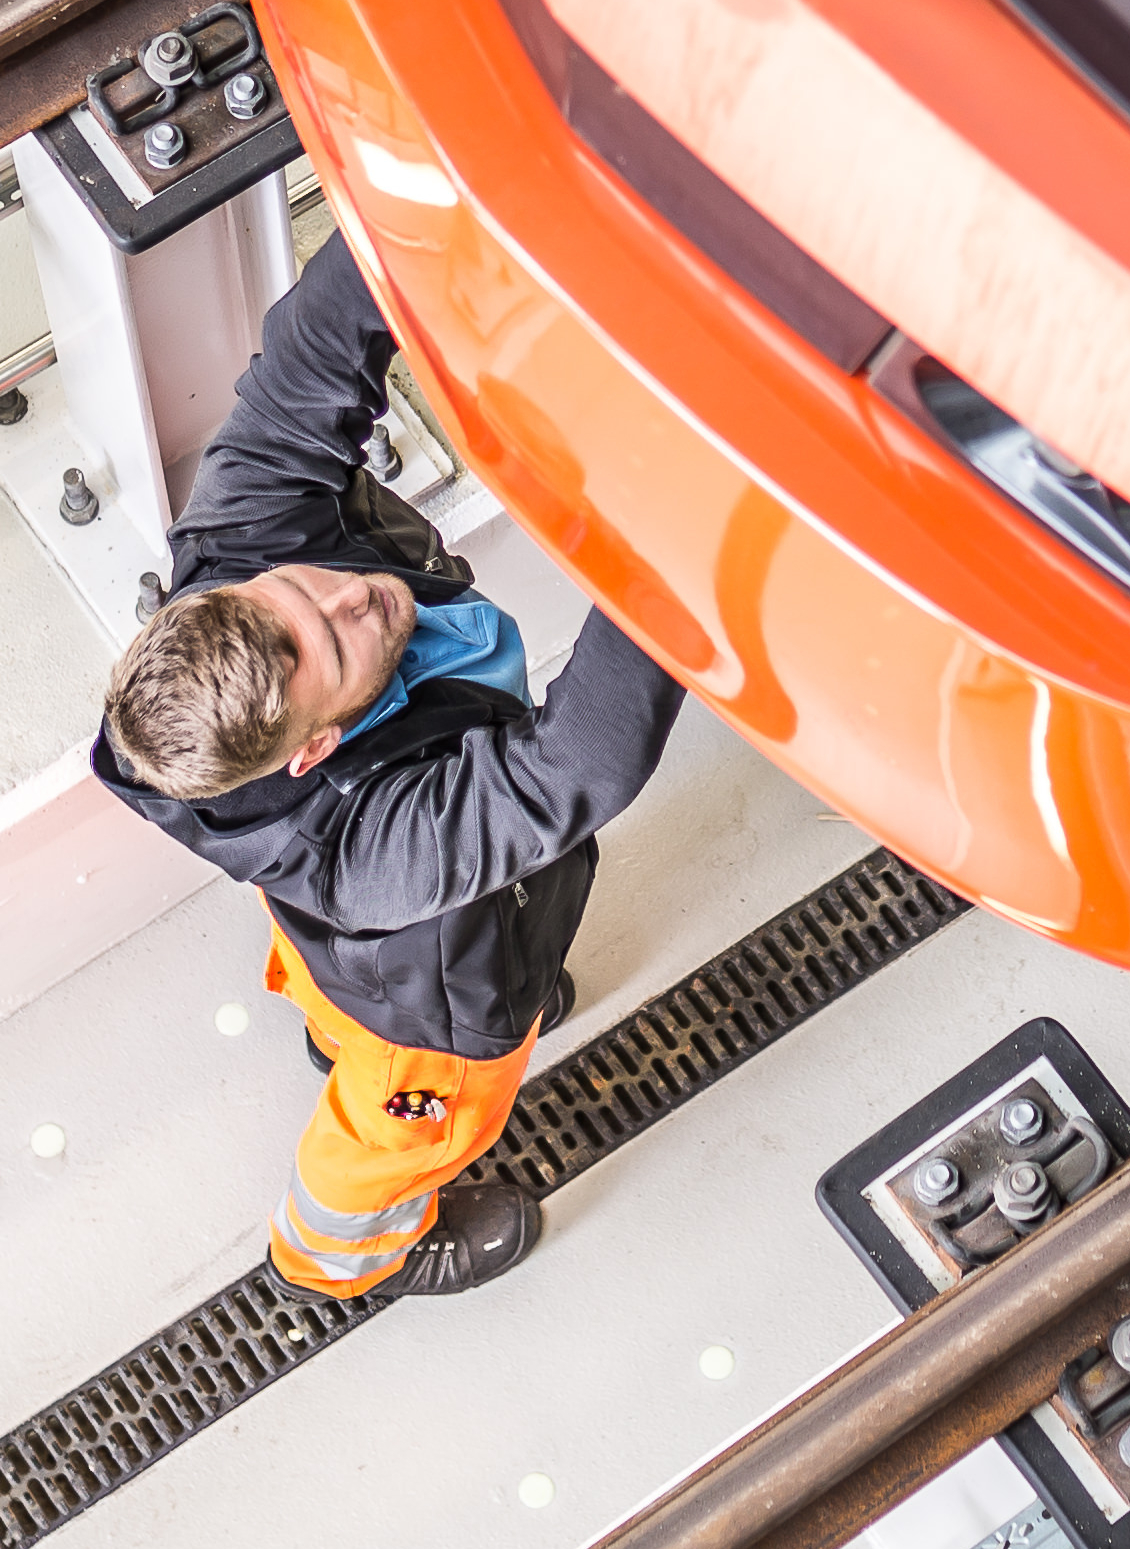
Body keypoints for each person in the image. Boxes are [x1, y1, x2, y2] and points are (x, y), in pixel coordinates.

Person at [90, 232, 684, 1296]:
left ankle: (340, 1029)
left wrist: (410, 202)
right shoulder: (373, 857)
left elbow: (313, 352)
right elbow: (576, 764)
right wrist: (690, 526)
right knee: (402, 1133)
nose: (352, 596)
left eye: (299, 589)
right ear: (313, 749)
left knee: (351, 976)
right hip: (434, 1016)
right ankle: (349, 1255)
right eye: (334, 644)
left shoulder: (239, 551)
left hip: (384, 939)